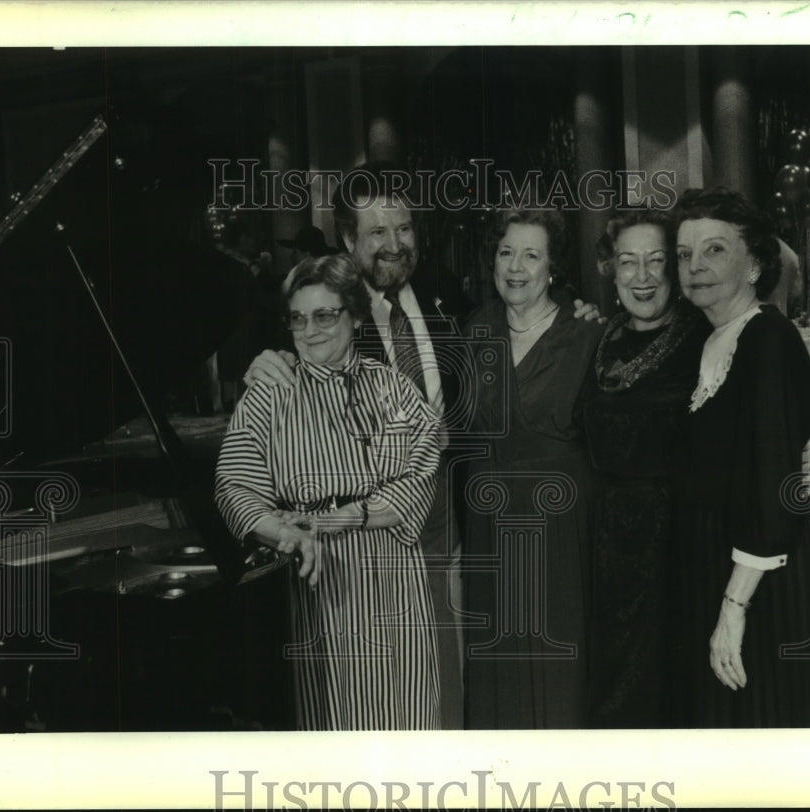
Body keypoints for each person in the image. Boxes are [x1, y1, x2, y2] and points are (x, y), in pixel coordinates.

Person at [242, 161, 600, 729]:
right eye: (377, 231)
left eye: (403, 229)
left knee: (451, 686)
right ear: (348, 239)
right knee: (376, 704)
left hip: (452, 529)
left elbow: (524, 329)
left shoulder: (445, 297)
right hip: (363, 550)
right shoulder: (323, 315)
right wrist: (268, 358)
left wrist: (578, 308)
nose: (393, 244)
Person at [215, 253, 443, 730]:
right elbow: (235, 486)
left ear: (356, 316)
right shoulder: (269, 392)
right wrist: (285, 532)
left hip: (394, 577)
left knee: (408, 718)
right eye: (298, 319)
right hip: (318, 580)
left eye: (324, 315)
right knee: (336, 723)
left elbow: (417, 483)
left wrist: (337, 518)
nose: (310, 330)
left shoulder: (394, 388)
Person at [671, 187, 810, 727]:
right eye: (684, 254)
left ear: (755, 264)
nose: (694, 266)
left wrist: (734, 609)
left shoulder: (768, 337)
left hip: (759, 587)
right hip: (717, 570)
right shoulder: (709, 336)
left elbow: (771, 485)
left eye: (715, 250)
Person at [462, 207, 603, 728]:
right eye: (506, 252)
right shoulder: (475, 330)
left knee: (559, 666)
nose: (515, 267)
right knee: (497, 671)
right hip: (490, 530)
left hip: (559, 531)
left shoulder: (587, 335)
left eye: (531, 254)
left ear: (553, 268)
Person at [582, 209, 711, 727]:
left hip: (676, 542)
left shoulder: (704, 336)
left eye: (656, 261)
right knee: (613, 683)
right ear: (610, 270)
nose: (642, 276)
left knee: (669, 686)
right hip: (609, 540)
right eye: (627, 262)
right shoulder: (600, 336)